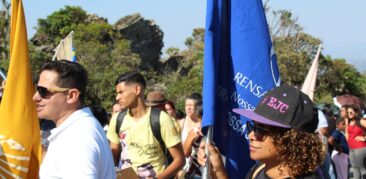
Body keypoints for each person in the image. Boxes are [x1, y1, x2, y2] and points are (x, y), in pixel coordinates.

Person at [197, 86, 325, 179]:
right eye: (252, 126)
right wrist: (218, 171)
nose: (251, 135)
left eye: (261, 130)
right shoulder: (260, 169)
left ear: (292, 139)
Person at [33, 60, 115, 178]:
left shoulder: (77, 136)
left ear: (72, 96)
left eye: (43, 91)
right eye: (37, 89)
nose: (35, 97)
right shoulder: (78, 129)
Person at [107, 71, 185, 178]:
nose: (117, 97)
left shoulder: (161, 119)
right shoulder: (117, 119)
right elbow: (113, 159)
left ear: (137, 90)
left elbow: (180, 160)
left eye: (121, 92)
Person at [177, 93, 203, 178]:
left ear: (198, 107)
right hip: (184, 164)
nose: (188, 108)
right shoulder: (181, 123)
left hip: (200, 165)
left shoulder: (203, 125)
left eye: (191, 105)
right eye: (186, 105)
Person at [345, 104, 366, 179]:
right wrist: (347, 124)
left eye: (351, 112)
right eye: (347, 112)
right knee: (354, 169)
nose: (349, 114)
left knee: (362, 169)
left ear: (356, 112)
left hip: (360, 148)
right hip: (351, 148)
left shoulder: (361, 121)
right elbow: (347, 137)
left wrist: (364, 138)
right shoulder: (350, 122)